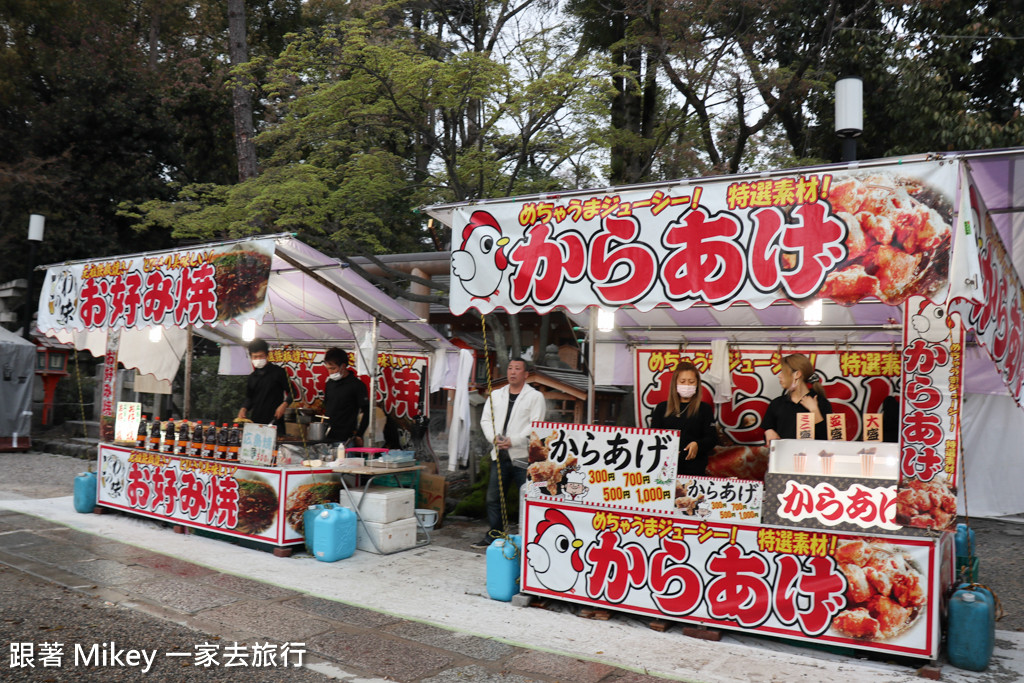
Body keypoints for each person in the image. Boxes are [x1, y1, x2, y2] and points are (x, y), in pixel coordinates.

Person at [472, 357, 547, 549]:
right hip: (499, 453)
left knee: (527, 497)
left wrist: (514, 440)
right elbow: (486, 420)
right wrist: (494, 438)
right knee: (493, 498)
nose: (513, 372)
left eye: (517, 369)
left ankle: (530, 537)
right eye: (510, 368)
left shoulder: (534, 396)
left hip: (523, 455)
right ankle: (494, 535)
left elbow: (536, 424)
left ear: (526, 374)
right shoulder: (496, 395)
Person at [649, 361, 718, 476]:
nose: (687, 385)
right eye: (682, 381)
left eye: (691, 382)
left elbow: (712, 438)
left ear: (697, 384)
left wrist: (697, 444)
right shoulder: (662, 408)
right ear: (675, 383)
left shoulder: (704, 409)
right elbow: (653, 438)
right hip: (664, 468)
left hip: (694, 468)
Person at [762, 353, 833, 442]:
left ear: (797, 374)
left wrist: (814, 410)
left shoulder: (821, 403)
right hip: (784, 454)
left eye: (783, 372)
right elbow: (768, 430)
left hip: (811, 454)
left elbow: (828, 439)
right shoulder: (777, 403)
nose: (779, 376)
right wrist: (768, 431)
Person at [235, 339, 292, 435]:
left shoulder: (279, 372)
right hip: (256, 422)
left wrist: (284, 405)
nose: (258, 359)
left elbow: (293, 392)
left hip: (275, 421)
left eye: (261, 356)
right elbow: (249, 397)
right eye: (255, 357)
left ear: (267, 355)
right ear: (251, 357)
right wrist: (244, 408)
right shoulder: (252, 377)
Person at [322, 348, 369, 446]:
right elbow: (327, 406)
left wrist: (359, 434)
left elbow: (367, 412)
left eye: (333, 368)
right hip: (327, 435)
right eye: (328, 369)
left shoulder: (357, 385)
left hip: (345, 438)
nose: (330, 372)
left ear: (343, 366)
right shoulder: (329, 383)